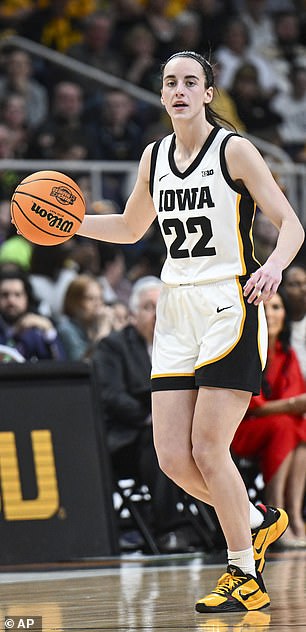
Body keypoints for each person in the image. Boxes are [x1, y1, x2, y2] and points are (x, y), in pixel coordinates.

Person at [69, 51, 305, 612]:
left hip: (230, 299)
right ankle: (256, 519)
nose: (178, 90)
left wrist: (273, 267)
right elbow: (131, 228)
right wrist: (73, 223)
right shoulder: (154, 156)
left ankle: (243, 573)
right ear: (161, 94)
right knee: (173, 458)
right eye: (170, 82)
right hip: (175, 307)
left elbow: (291, 223)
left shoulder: (235, 150)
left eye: (190, 82)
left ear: (207, 93)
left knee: (208, 446)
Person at [92, 275, 196, 552]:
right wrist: (153, 417)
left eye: (162, 307)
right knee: (160, 439)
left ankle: (226, 528)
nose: (156, 314)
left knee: (212, 440)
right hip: (128, 437)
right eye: (149, 307)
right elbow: (110, 395)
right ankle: (169, 529)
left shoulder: (181, 345)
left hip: (175, 430)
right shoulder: (113, 346)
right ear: (133, 313)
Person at [232, 290, 306, 548]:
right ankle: (276, 511)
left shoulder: (287, 354)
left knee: (298, 426)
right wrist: (294, 404)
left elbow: (294, 402)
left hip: (277, 428)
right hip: (238, 428)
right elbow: (255, 407)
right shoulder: (246, 349)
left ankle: (294, 516)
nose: (271, 314)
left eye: (276, 307)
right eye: (265, 308)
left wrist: (294, 404)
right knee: (286, 425)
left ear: (285, 315)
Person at [0, 267, 65, 361]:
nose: (11, 301)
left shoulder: (39, 328)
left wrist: (49, 331)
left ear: (27, 298)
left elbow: (61, 365)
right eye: (5, 295)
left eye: (17, 294)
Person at [56, 274, 113, 361]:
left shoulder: (95, 326)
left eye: (100, 298)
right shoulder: (66, 329)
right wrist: (103, 329)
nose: (97, 304)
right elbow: (82, 364)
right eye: (90, 299)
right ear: (74, 302)